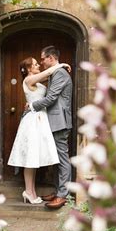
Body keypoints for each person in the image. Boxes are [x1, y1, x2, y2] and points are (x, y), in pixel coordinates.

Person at [8, 57, 71, 204]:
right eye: (35, 64)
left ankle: (32, 192)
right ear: (29, 69)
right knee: (30, 158)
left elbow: (49, 78)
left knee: (34, 157)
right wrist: (60, 64)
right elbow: (48, 72)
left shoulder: (35, 80)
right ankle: (29, 192)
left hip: (40, 119)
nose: (38, 65)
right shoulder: (28, 80)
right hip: (33, 120)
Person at [31, 45, 73, 209]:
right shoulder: (56, 72)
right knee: (56, 158)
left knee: (62, 158)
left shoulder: (60, 74)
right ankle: (58, 191)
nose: (41, 62)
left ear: (51, 58)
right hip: (54, 121)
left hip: (60, 122)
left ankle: (63, 195)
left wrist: (32, 105)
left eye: (43, 58)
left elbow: (51, 98)